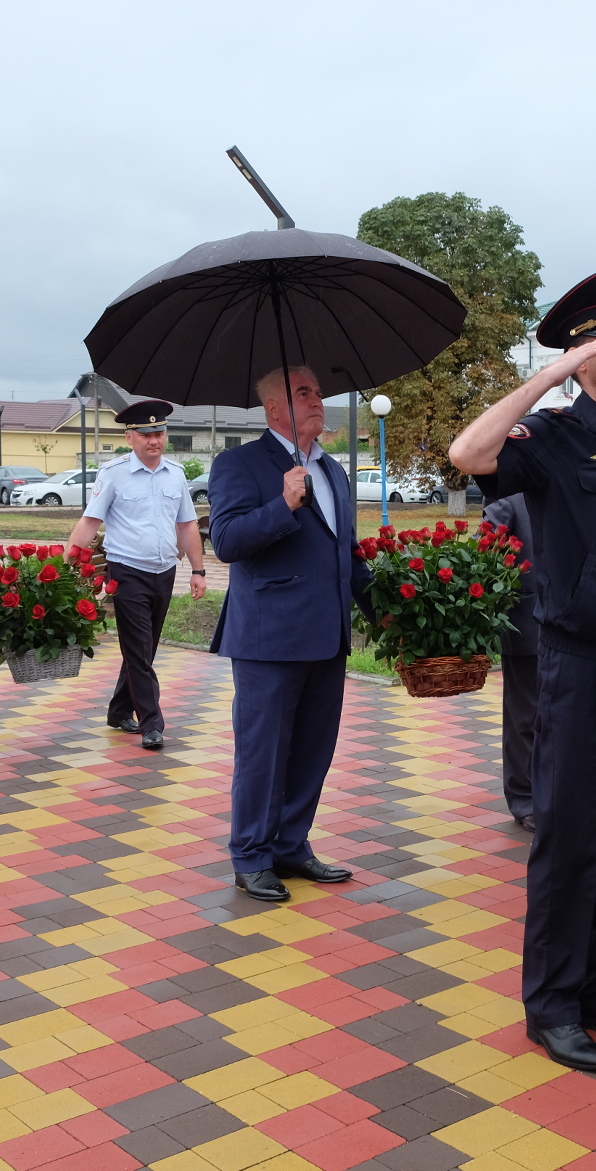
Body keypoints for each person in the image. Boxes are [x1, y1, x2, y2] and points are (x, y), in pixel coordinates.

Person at [449, 267, 596, 1073]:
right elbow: (466, 452)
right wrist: (545, 377)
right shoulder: (546, 438)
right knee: (569, 837)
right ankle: (550, 1006)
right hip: (576, 662)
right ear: (586, 357)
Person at [210, 365, 371, 903]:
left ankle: (291, 844)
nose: (319, 401)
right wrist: (283, 505)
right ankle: (251, 856)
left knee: (313, 748)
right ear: (275, 408)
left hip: (327, 635)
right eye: (305, 393)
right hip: (269, 639)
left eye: (319, 392)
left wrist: (382, 608)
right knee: (263, 751)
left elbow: (344, 551)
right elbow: (227, 541)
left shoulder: (334, 470)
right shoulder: (239, 463)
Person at [65, 399, 207, 750]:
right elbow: (90, 521)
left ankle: (118, 709)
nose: (154, 440)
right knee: (140, 650)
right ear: (130, 437)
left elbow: (187, 525)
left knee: (144, 648)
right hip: (126, 570)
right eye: (146, 434)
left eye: (159, 433)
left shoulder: (176, 473)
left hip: (165, 571)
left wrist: (199, 570)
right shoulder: (113, 473)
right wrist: (64, 564)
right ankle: (152, 723)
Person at [480, 493, 539, 831]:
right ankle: (525, 798)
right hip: (528, 625)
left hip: (577, 624)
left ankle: (559, 792)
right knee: (525, 718)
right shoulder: (512, 497)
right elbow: (483, 548)